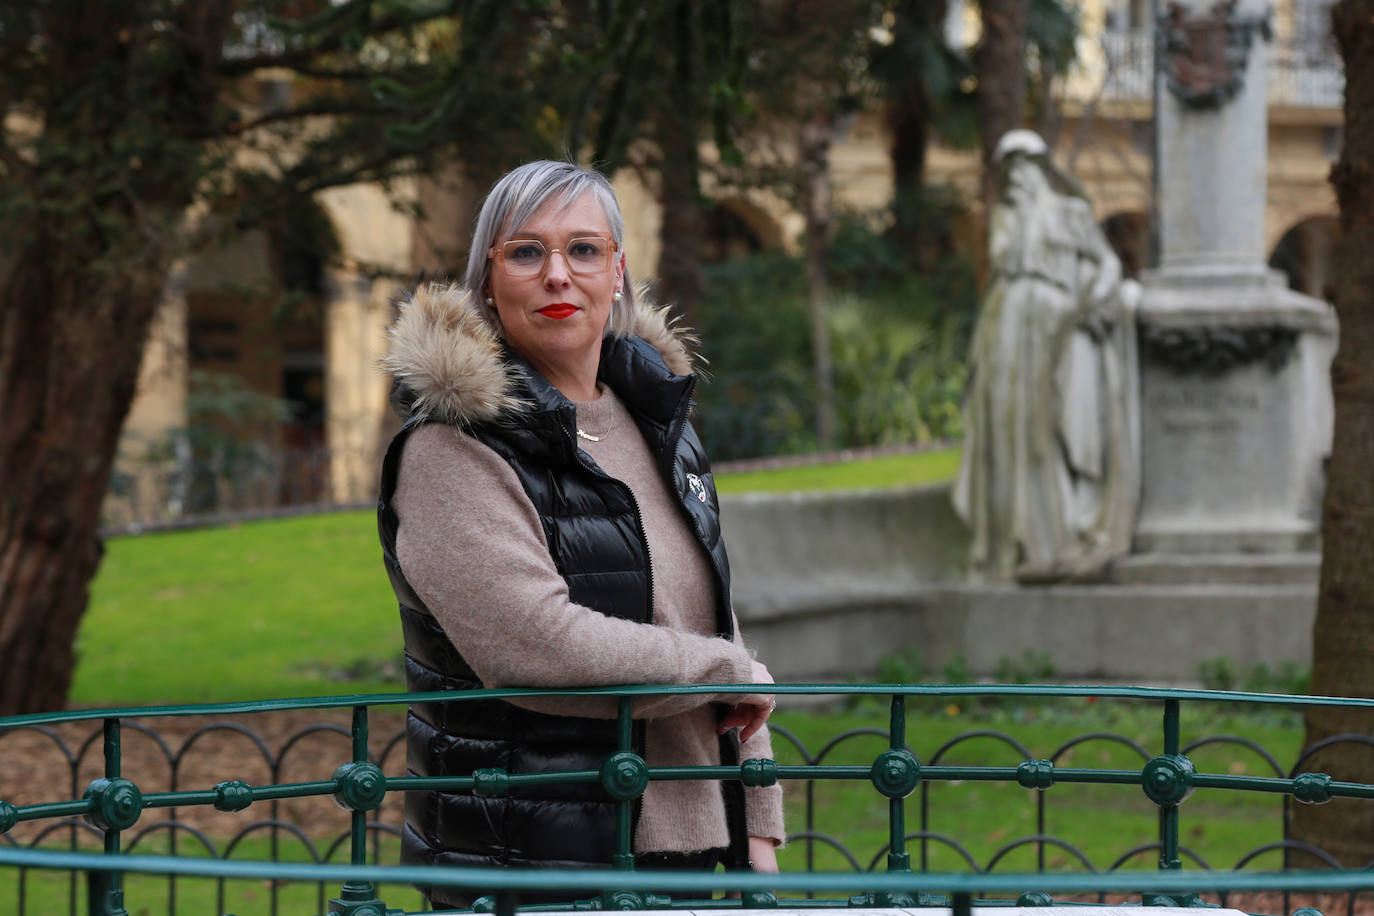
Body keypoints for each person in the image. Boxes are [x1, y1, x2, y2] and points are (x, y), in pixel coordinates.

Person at [376, 160, 785, 908]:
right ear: (488, 279)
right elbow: (535, 645)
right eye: (527, 252)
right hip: (532, 862)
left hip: (686, 857)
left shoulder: (659, 423)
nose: (558, 274)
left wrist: (758, 819)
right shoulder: (452, 449)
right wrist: (724, 671)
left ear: (619, 270)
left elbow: (715, 621)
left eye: (584, 250)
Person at [952, 130, 1140, 582]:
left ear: (1042, 169)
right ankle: (1007, 546)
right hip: (1004, 324)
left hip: (1053, 321)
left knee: (1044, 428)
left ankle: (1052, 539)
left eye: (1023, 165)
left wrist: (1095, 300)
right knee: (1003, 428)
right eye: (1007, 168)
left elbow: (1106, 264)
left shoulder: (1069, 211)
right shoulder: (1004, 218)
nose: (1015, 176)